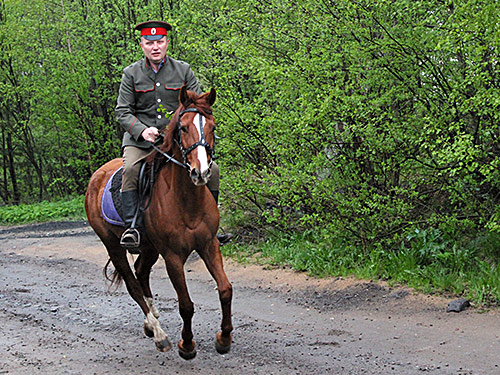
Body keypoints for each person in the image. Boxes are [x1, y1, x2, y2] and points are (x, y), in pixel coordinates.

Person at [115, 20, 231, 252]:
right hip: (142, 140)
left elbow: (199, 105)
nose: (155, 47)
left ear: (167, 43)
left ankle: (212, 226)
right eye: (150, 43)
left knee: (213, 170)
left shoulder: (183, 70)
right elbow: (122, 111)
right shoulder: (131, 73)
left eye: (159, 42)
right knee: (130, 170)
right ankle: (133, 227)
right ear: (142, 45)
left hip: (178, 139)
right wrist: (142, 130)